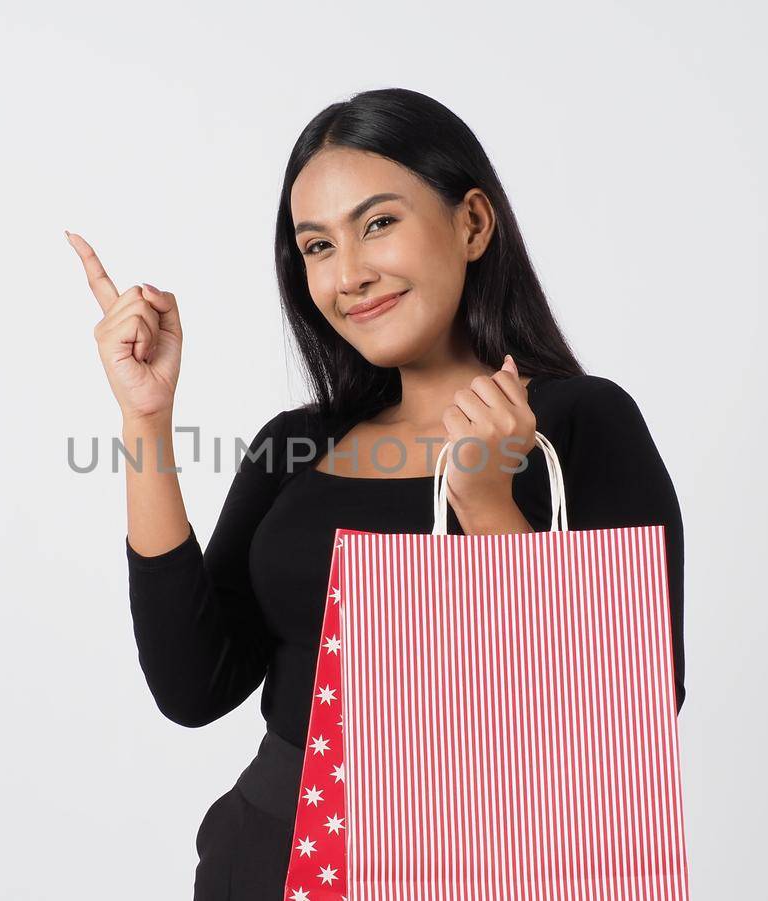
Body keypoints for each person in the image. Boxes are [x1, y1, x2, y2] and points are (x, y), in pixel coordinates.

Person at [68, 87, 685, 901]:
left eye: (378, 223)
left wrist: (489, 505)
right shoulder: (298, 443)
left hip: (476, 862)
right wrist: (146, 418)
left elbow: (632, 709)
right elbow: (193, 686)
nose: (349, 274)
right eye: (317, 246)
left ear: (472, 223)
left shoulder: (574, 424)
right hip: (277, 857)